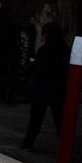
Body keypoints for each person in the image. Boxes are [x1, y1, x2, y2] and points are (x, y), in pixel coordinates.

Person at [21, 22, 70, 150]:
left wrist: (33, 62)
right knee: (60, 120)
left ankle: (28, 142)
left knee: (36, 118)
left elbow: (41, 69)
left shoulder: (46, 49)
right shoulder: (65, 49)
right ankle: (67, 148)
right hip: (58, 90)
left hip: (43, 89)